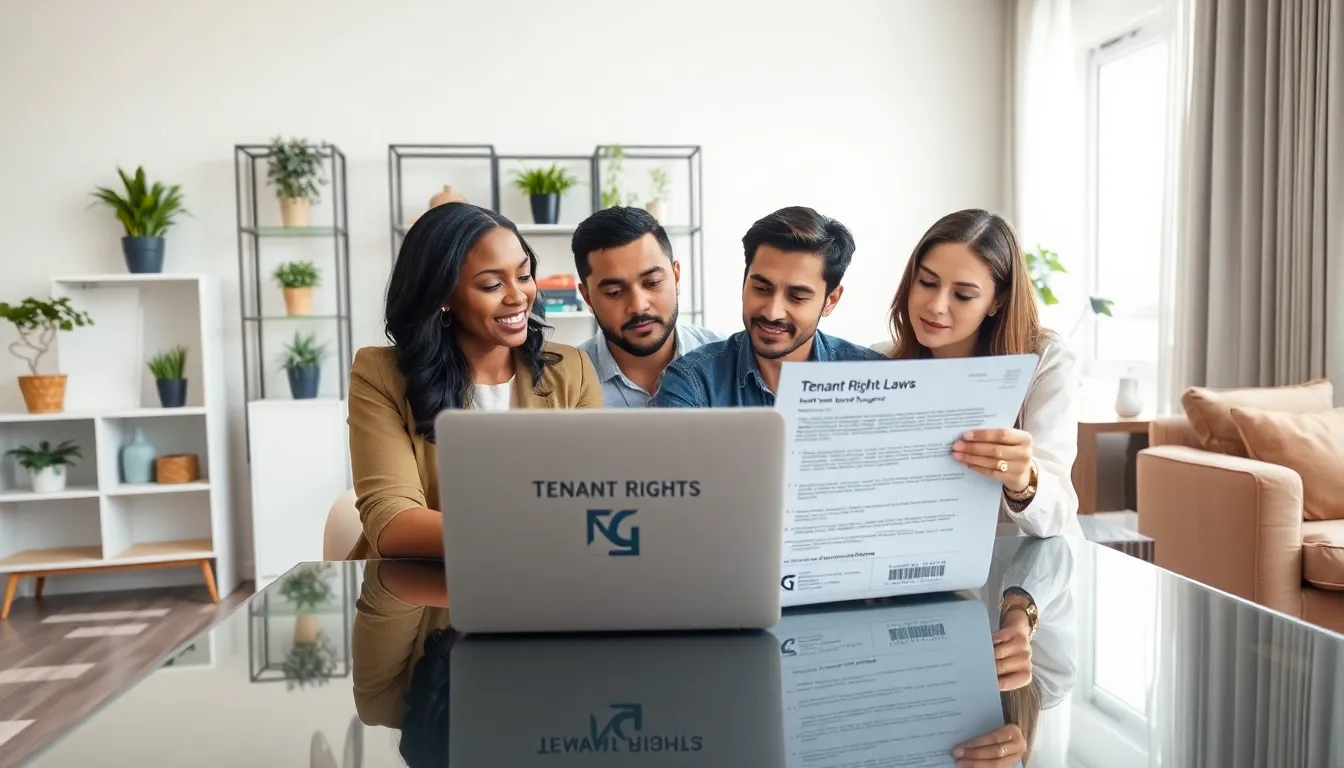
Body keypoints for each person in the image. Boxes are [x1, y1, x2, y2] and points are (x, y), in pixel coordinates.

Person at [346, 202, 603, 560]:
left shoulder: (571, 369)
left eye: (524, 276)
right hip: (419, 592)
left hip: (546, 584)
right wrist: (533, 535)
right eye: (492, 284)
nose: (517, 297)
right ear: (443, 296)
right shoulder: (380, 374)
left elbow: (598, 497)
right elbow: (392, 523)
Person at [881, 208, 1081, 538]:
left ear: (996, 302)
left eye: (963, 295)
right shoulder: (882, 363)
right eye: (927, 282)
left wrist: (1022, 479)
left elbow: (1057, 511)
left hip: (1032, 567)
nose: (936, 305)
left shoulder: (1046, 357)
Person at [651, 205, 884, 407]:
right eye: (761, 289)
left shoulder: (879, 380)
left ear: (830, 300)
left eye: (797, 297)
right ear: (744, 282)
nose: (772, 312)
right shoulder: (692, 381)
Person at [572, 206, 723, 406]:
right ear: (587, 297)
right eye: (615, 292)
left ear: (676, 277)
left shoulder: (729, 364)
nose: (638, 306)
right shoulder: (567, 384)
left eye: (652, 283)